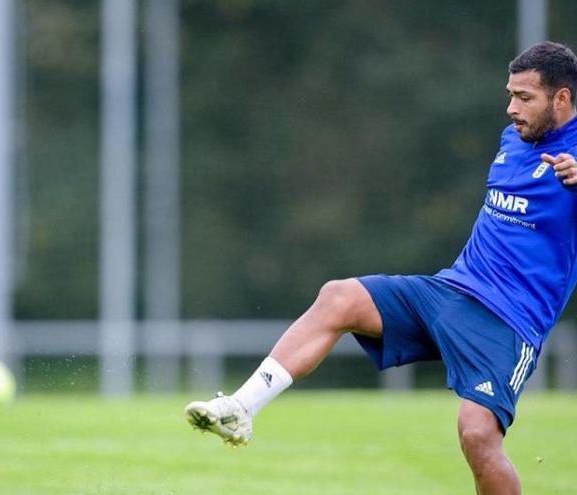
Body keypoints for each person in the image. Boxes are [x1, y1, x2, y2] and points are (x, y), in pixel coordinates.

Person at [184, 40, 577, 495]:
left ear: (562, 98)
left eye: (524, 98)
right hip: (451, 291)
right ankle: (241, 408)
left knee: (476, 435)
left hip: (507, 320)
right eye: (510, 95)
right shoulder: (516, 135)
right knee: (340, 297)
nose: (512, 108)